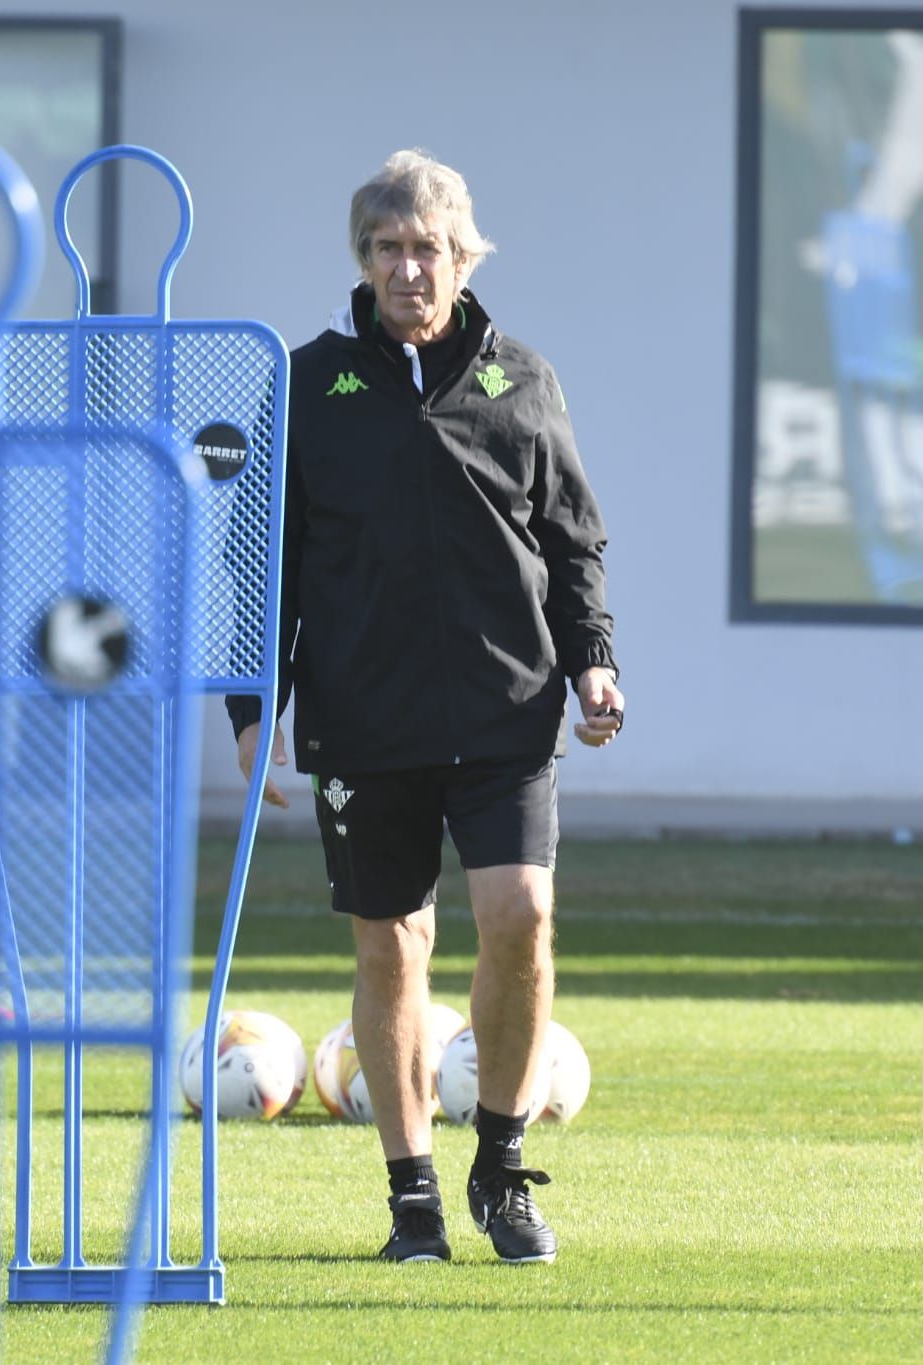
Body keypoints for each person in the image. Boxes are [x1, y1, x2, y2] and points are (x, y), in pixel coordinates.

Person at [229, 149, 623, 1266]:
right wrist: (253, 716)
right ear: (362, 261)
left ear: (465, 258)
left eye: (430, 250)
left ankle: (500, 1170)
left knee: (521, 921)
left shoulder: (522, 381)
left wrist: (592, 662)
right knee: (394, 952)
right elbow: (260, 564)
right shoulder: (308, 385)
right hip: (363, 722)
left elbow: (573, 543)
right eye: (390, 249)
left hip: (507, 711)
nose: (410, 269)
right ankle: (411, 1198)